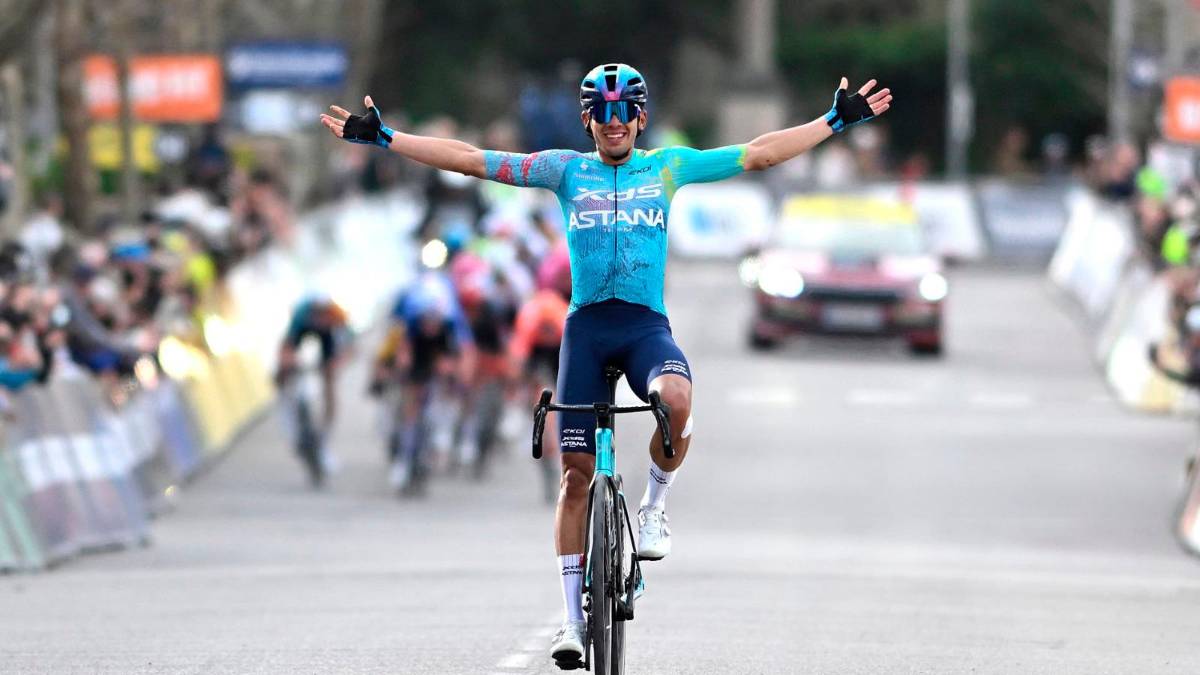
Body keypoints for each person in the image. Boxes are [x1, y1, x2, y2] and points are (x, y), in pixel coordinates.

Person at [322, 62, 891, 664]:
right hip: (587, 332)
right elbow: (470, 159)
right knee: (574, 475)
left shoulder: (667, 167)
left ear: (640, 118)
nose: (613, 123)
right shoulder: (564, 170)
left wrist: (833, 122)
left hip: (644, 328)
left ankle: (653, 508)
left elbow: (758, 154)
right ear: (587, 120)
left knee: (676, 400)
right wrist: (386, 138)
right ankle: (572, 622)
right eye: (602, 112)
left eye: (624, 112)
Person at [276, 295, 351, 473]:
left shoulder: (336, 318)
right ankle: (293, 432)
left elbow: (348, 348)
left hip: (326, 344)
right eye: (319, 316)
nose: (322, 320)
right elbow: (287, 347)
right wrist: (287, 364)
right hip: (299, 338)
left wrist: (335, 365)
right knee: (284, 377)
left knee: (330, 390)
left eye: (326, 317)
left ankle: (324, 443)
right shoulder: (301, 317)